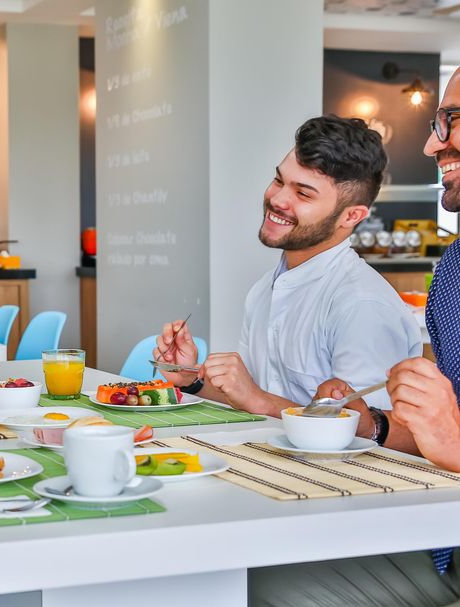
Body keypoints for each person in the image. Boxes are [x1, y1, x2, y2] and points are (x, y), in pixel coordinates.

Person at [249, 67, 460, 607]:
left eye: (452, 121)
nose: (433, 142)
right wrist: (378, 423)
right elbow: (420, 440)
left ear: (351, 217)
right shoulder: (454, 269)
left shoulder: (363, 299)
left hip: (419, 538)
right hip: (434, 530)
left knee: (239, 580)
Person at [155, 115, 421, 418]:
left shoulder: (363, 306)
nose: (277, 199)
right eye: (279, 180)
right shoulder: (264, 289)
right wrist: (192, 379)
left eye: (303, 193)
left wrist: (256, 399)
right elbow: (253, 396)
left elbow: (367, 433)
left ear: (351, 217)